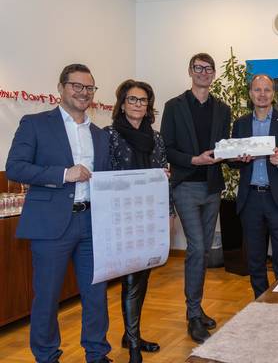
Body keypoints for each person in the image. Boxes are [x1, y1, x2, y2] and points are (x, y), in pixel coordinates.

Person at [6, 64, 112, 363]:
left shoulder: (100, 135)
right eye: (77, 86)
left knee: (96, 294)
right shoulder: (35, 124)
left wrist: (152, 178)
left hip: (92, 223)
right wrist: (64, 174)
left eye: (89, 87)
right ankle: (47, 356)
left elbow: (109, 177)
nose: (83, 92)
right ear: (61, 88)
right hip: (51, 225)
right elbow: (15, 167)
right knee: (47, 296)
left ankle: (97, 353)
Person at [160, 53, 231, 343]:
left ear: (214, 73)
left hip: (212, 187)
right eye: (198, 68)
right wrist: (194, 160)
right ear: (190, 71)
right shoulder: (174, 106)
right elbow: (167, 148)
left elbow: (224, 147)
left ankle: (197, 308)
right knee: (197, 247)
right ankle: (192, 315)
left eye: (208, 68)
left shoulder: (222, 109)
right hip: (186, 186)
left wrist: (237, 154)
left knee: (202, 252)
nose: (203, 72)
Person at [105, 80, 168, 362]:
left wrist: (168, 213)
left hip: (150, 217)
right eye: (132, 99)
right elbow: (105, 175)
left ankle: (131, 334)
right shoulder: (109, 135)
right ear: (122, 104)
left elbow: (163, 177)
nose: (137, 104)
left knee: (142, 278)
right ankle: (133, 347)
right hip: (122, 219)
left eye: (143, 100)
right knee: (131, 279)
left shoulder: (156, 138)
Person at [230, 74, 278, 298]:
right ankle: (260, 302)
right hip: (250, 199)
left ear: (273, 94)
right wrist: (238, 159)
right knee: (255, 259)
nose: (262, 94)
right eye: (257, 90)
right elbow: (231, 161)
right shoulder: (240, 123)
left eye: (267, 90)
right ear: (250, 93)